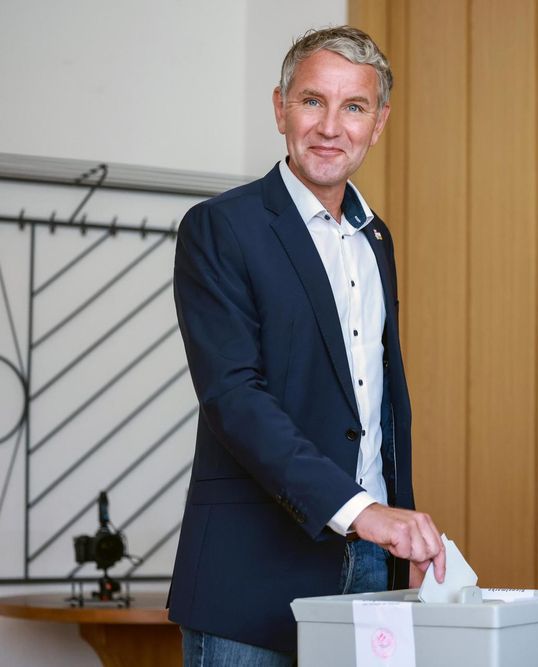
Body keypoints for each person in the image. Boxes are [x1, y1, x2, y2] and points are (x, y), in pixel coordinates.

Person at [167, 26, 446, 665]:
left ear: (379, 123)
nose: (330, 126)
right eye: (312, 100)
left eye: (354, 107)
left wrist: (388, 522)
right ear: (279, 108)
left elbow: (372, 407)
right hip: (251, 577)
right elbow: (234, 397)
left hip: (374, 571)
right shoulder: (221, 228)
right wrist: (361, 510)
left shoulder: (378, 241)